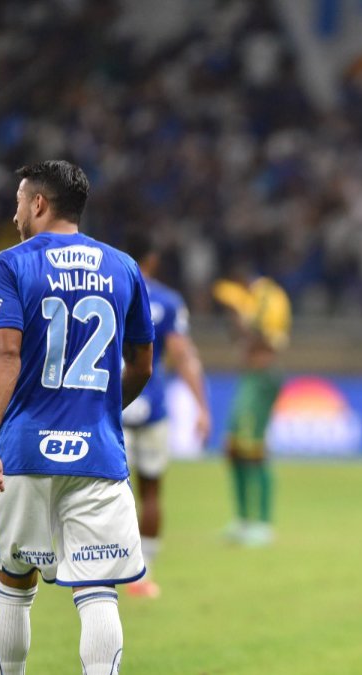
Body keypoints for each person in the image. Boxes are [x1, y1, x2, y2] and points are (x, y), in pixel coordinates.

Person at [0, 160, 155, 674]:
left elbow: (4, 355)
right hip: (97, 452)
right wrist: (99, 410)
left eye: (17, 203)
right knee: (98, 593)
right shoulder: (123, 266)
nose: (14, 216)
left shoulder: (10, 264)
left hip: (24, 453)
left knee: (13, 584)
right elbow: (142, 363)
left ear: (38, 204)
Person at [121, 232, 211, 598]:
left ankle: (100, 567)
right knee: (152, 491)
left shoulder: (107, 290)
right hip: (153, 405)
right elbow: (183, 355)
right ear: (153, 261)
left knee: (107, 492)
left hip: (114, 404)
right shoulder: (168, 301)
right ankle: (144, 574)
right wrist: (201, 407)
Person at [212, 267, 291, 546]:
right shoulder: (253, 299)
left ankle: (264, 524)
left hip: (261, 378)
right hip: (249, 378)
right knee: (234, 448)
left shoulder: (268, 298)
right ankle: (243, 520)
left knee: (254, 449)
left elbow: (268, 339)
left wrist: (242, 321)